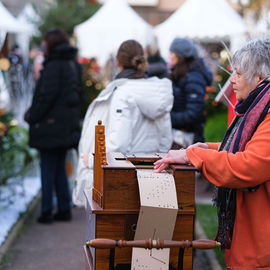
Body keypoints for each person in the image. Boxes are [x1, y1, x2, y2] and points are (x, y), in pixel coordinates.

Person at [154, 38, 270, 269]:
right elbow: (242, 147)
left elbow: (246, 166)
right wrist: (205, 148)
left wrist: (193, 156)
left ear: (259, 77)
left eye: (238, 73)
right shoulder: (259, 106)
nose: (232, 80)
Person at [73, 39, 173, 207]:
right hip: (155, 176)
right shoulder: (158, 93)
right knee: (151, 232)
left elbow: (118, 144)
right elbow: (165, 138)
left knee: (119, 230)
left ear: (118, 63)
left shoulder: (122, 94)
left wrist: (91, 161)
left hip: (126, 177)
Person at [25, 28, 82, 224]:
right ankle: (64, 208)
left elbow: (45, 97)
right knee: (58, 166)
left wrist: (32, 116)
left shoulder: (53, 66)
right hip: (65, 126)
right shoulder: (72, 64)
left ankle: (47, 210)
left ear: (51, 44)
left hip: (50, 125)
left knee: (48, 168)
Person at [169, 38, 213, 148]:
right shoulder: (183, 72)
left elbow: (193, 113)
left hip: (188, 137)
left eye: (172, 53)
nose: (170, 56)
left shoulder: (193, 76)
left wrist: (168, 118)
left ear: (180, 55)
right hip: (181, 135)